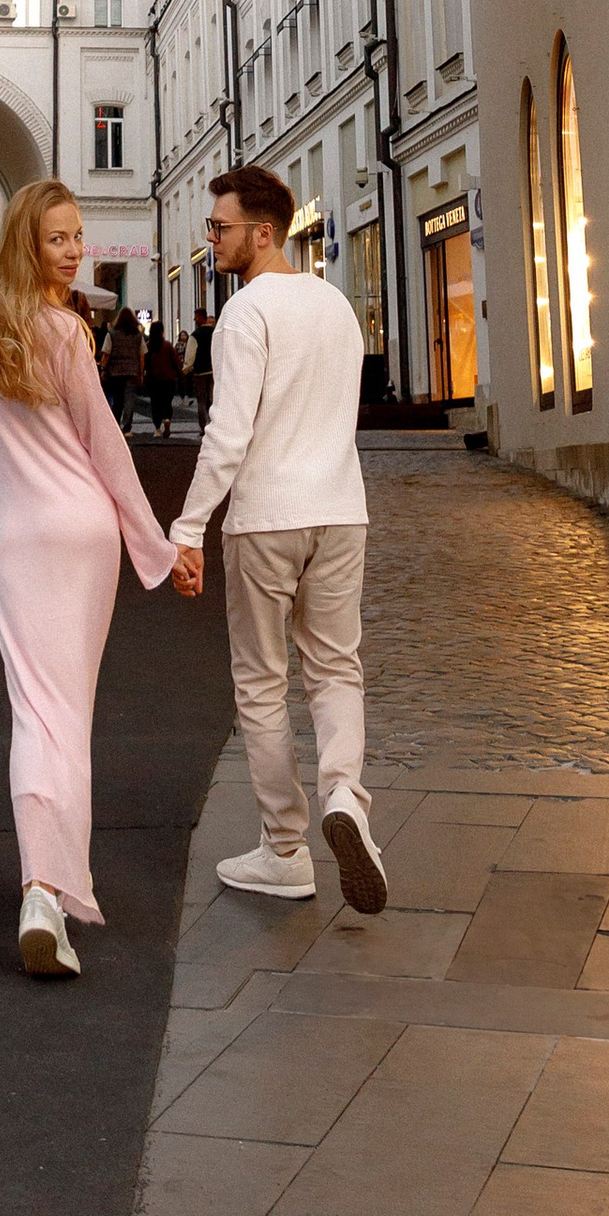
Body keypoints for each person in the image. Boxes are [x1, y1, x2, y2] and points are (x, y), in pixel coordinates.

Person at [0, 177, 177, 977]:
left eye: (78, 235)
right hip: (80, 536)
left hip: (14, 537)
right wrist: (156, 549)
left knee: (34, 714)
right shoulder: (64, 330)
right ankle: (48, 890)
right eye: (58, 238)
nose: (74, 249)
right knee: (68, 717)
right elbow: (107, 449)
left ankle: (40, 889)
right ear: (30, 244)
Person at [170, 165, 387, 916]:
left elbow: (229, 435)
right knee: (336, 667)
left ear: (264, 233)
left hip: (267, 516)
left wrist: (189, 527)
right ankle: (346, 798)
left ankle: (286, 850)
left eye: (220, 227)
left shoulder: (246, 314)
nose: (212, 240)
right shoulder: (335, 307)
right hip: (341, 508)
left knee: (262, 682)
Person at [103, 298, 145, 431]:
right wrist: (141, 371)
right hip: (132, 371)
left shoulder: (112, 334)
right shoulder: (138, 336)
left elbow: (106, 353)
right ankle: (127, 425)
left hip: (115, 371)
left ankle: (116, 423)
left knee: (118, 399)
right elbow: (142, 355)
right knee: (130, 399)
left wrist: (103, 369)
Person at [144, 326, 182, 444]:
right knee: (167, 402)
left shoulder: (148, 346)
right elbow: (176, 361)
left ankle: (157, 428)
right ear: (162, 332)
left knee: (155, 403)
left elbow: (145, 362)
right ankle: (167, 419)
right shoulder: (168, 346)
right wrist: (180, 374)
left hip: (153, 379)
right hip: (168, 379)